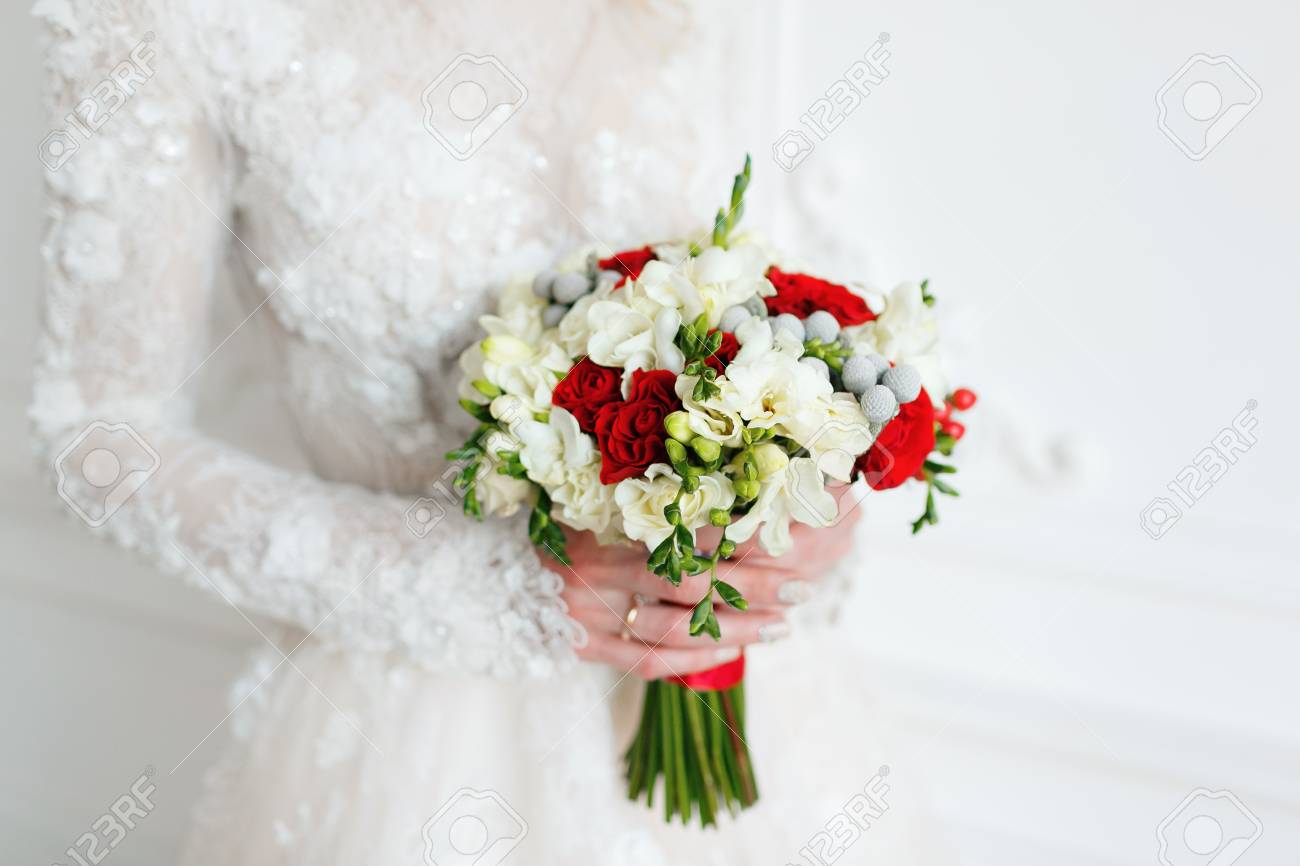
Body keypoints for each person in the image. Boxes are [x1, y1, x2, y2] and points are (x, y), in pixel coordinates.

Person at [33, 1, 932, 861]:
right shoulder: (175, 17)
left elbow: (748, 305)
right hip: (415, 734)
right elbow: (98, 436)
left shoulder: (686, 15)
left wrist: (797, 514)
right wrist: (503, 590)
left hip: (750, 698)